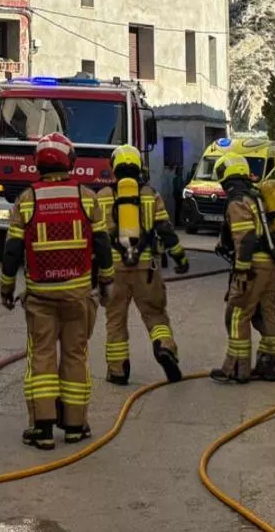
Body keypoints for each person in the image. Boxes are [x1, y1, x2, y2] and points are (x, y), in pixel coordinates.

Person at [0, 133, 114, 449]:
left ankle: (43, 428)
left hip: (40, 297)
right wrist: (106, 283)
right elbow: (103, 246)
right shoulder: (86, 197)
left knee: (43, 357)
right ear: (70, 161)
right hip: (78, 295)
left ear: (39, 163)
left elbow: (11, 250)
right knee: (76, 355)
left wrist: (7, 288)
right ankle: (75, 427)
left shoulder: (27, 200)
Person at [98, 144, 190, 385]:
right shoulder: (151, 195)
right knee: (155, 314)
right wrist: (180, 258)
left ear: (114, 167)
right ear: (139, 166)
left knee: (115, 320)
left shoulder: (103, 196)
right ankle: (164, 347)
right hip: (146, 268)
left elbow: (95, 237)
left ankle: (118, 371)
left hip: (114, 270)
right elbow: (166, 230)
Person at [211, 154, 275, 384]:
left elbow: (246, 237)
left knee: (237, 313)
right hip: (271, 265)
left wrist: (241, 271)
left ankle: (236, 369)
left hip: (253, 267)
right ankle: (270, 366)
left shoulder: (237, 201)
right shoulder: (257, 196)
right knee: (266, 312)